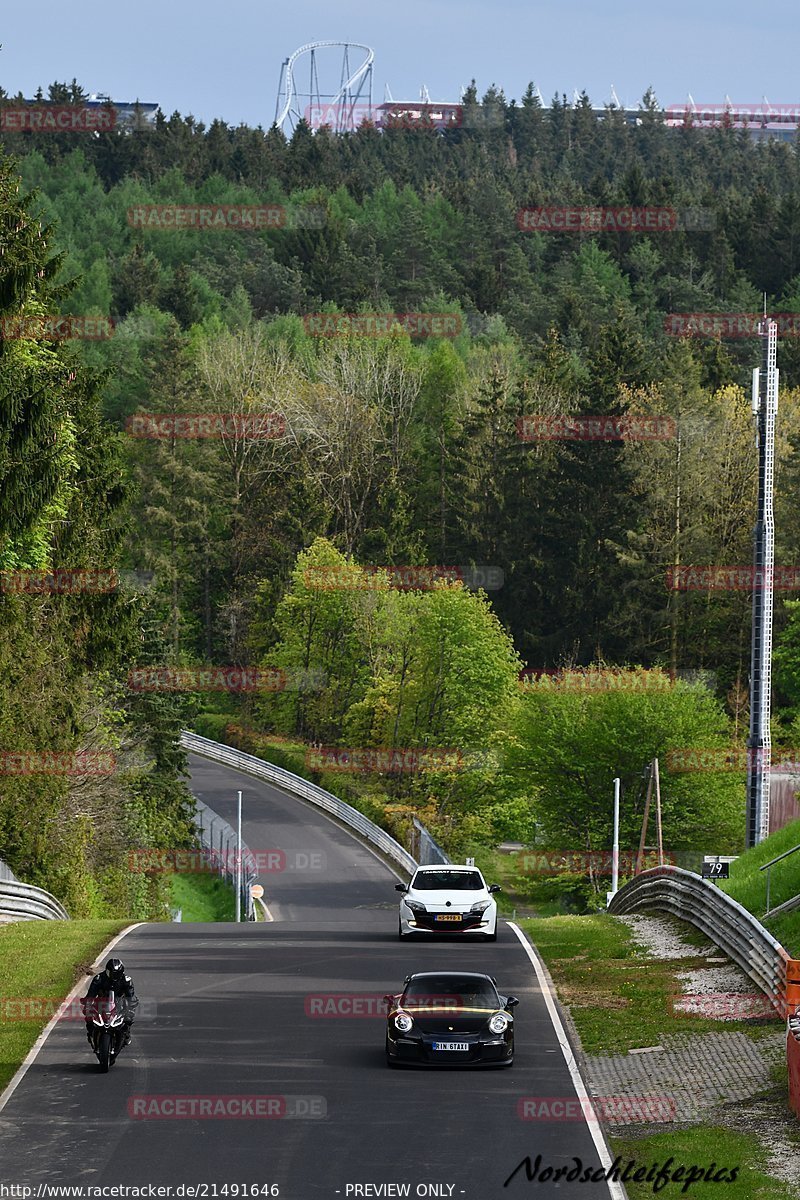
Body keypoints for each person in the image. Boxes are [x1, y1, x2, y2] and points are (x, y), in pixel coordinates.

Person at [80, 958, 139, 1047]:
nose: (113, 977)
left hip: (119, 1004)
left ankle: (126, 1032)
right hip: (101, 1003)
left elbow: (131, 997)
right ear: (107, 971)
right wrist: (87, 1005)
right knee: (89, 1015)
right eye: (111, 973)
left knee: (129, 1016)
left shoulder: (126, 981)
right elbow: (90, 995)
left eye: (116, 974)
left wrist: (130, 1008)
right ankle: (91, 1033)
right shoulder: (99, 979)